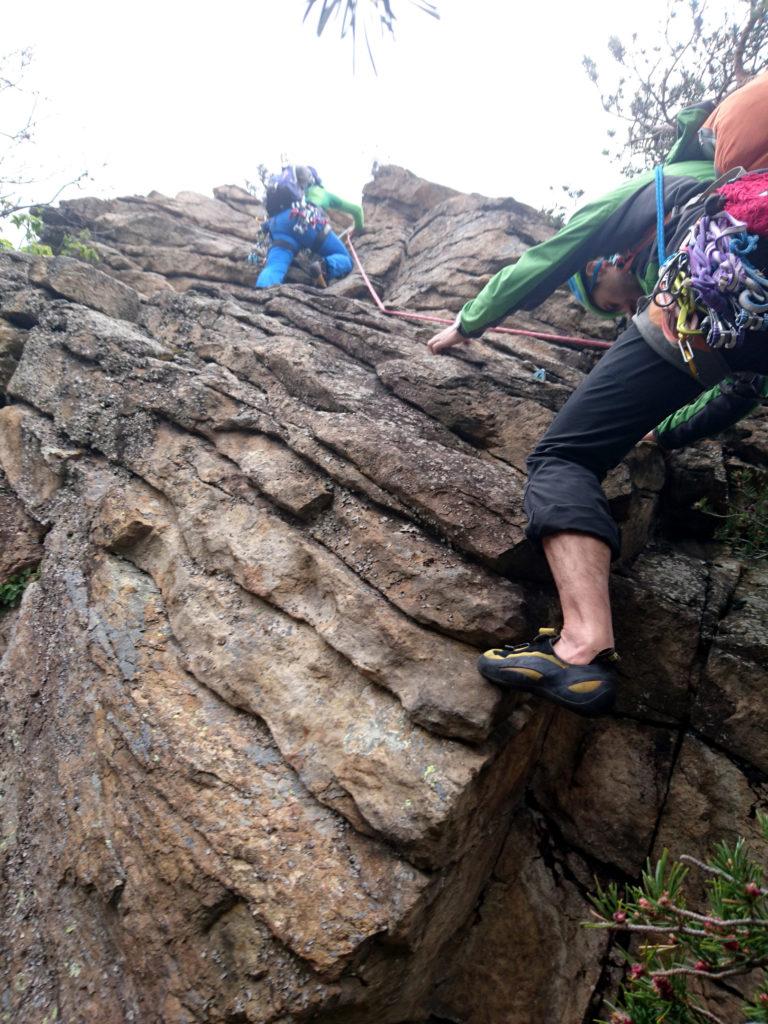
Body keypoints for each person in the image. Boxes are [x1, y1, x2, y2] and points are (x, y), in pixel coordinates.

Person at [426, 170, 768, 716]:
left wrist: (470, 321)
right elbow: (746, 388)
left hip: (721, 295)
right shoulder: (724, 179)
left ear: (603, 264)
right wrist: (667, 430)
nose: (617, 312)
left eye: (607, 304)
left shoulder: (661, 187)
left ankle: (580, 645)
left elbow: (559, 250)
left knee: (563, 458)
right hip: (741, 316)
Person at [254, 166, 354, 289]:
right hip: (304, 219)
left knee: (274, 266)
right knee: (346, 259)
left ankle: (261, 291)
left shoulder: (287, 192)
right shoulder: (317, 190)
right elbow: (357, 211)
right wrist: (357, 228)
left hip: (277, 224)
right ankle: (324, 268)